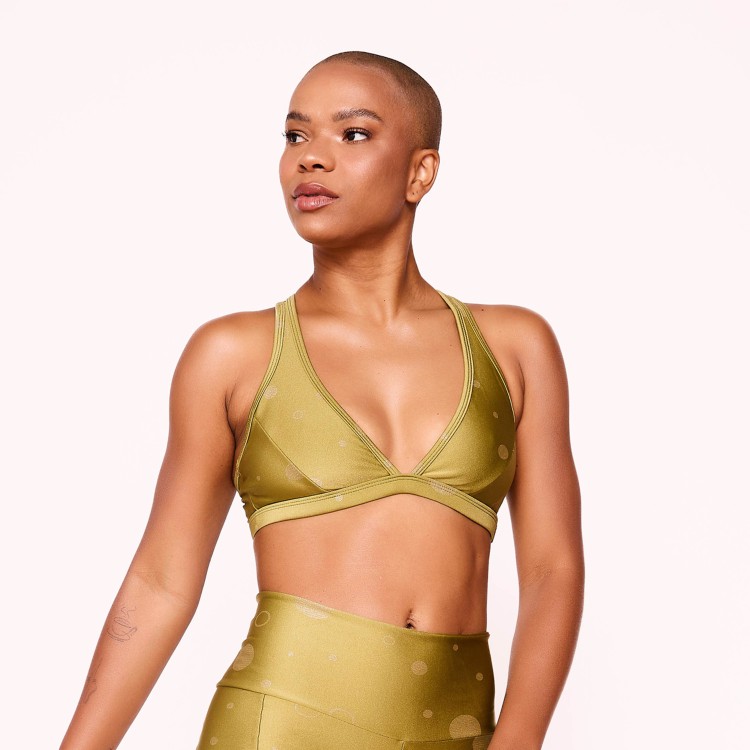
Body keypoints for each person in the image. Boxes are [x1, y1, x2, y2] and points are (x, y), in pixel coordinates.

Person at [60, 51, 584, 750]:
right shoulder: (232, 355)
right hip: (276, 726)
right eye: (295, 136)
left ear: (421, 172)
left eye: (353, 133)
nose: (310, 158)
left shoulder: (514, 346)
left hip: (459, 730)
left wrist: (518, 740)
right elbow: (160, 582)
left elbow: (552, 570)